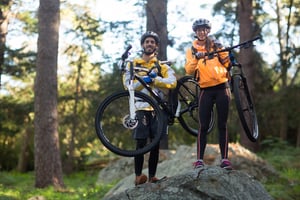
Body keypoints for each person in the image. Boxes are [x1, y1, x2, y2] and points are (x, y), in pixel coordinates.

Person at [122, 31, 177, 185]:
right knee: (140, 142)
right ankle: (138, 176)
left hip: (158, 109)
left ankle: (152, 176)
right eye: (147, 42)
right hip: (140, 107)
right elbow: (128, 86)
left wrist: (155, 80)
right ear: (143, 45)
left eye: (152, 42)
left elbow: (172, 82)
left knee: (155, 144)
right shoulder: (133, 64)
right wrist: (144, 81)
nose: (149, 44)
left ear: (156, 46)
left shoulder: (161, 65)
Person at [184, 18, 232, 170]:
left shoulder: (216, 45)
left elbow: (227, 63)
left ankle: (225, 159)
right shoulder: (191, 49)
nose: (202, 32)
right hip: (205, 90)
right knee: (203, 126)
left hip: (222, 87)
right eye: (199, 30)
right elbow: (189, 71)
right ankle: (199, 160)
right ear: (195, 32)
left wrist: (223, 50)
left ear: (208, 31)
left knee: (222, 124)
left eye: (204, 29)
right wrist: (196, 58)